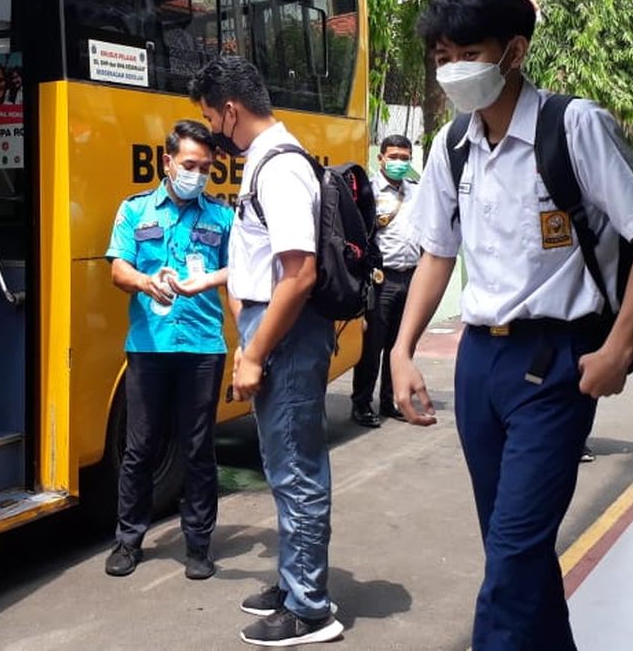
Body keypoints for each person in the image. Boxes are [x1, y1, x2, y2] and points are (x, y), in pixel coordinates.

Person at [389, 0, 633, 651]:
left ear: (513, 51)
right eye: (440, 56)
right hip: (478, 365)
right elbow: (436, 252)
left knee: (514, 558)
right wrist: (402, 351)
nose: (451, 69)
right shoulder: (452, 145)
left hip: (554, 365)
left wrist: (619, 349)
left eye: (467, 51)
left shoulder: (575, 127)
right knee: (513, 550)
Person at [190, 56, 344, 646]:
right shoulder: (267, 160)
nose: (212, 131)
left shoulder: (278, 168)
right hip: (273, 326)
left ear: (230, 110)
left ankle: (310, 609)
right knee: (282, 466)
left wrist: (253, 352)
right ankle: (292, 582)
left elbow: (299, 275)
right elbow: (265, 261)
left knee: (296, 468)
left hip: (287, 333)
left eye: (210, 118)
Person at [103, 119, 232, 581]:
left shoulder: (221, 217)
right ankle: (128, 540)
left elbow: (238, 273)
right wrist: (145, 281)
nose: (197, 174)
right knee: (140, 447)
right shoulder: (136, 210)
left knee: (198, 448)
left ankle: (198, 545)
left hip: (202, 347)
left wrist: (210, 282)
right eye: (189, 164)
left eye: (205, 167)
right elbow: (119, 269)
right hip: (148, 347)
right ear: (167, 161)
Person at [350, 134, 418, 427]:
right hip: (381, 280)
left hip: (411, 277)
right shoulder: (369, 191)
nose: (399, 163)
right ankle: (362, 404)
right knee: (373, 346)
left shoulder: (417, 192)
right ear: (381, 158)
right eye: (394, 157)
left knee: (400, 345)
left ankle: (391, 400)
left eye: (405, 158)